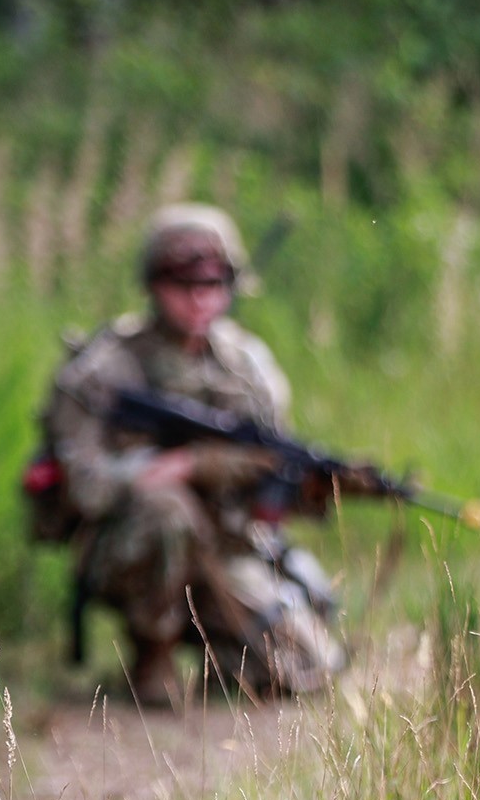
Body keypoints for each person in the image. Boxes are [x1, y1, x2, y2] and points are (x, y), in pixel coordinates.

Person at [40, 204, 346, 704]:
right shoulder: (104, 369)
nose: (200, 298)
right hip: (126, 548)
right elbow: (87, 486)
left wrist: (284, 484)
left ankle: (221, 650)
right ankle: (152, 656)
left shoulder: (248, 367)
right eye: (183, 283)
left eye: (216, 282)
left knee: (306, 670)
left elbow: (277, 473)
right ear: (153, 284)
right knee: (168, 510)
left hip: (226, 546)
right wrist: (177, 470)